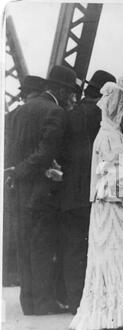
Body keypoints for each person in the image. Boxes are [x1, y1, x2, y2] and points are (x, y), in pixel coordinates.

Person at [70, 82, 123, 330]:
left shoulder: (112, 135)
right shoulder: (109, 138)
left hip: (118, 209)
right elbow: (116, 181)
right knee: (118, 256)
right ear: (120, 109)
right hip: (116, 211)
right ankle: (118, 316)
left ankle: (119, 314)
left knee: (121, 257)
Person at [9, 65, 77, 316]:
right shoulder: (54, 112)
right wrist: (23, 170)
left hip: (19, 192)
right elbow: (46, 152)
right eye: (69, 93)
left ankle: (28, 302)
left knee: (25, 245)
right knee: (43, 245)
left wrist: (14, 172)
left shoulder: (15, 114)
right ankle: (43, 302)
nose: (70, 99)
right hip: (43, 191)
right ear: (59, 89)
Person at [59, 70, 116, 314]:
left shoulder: (69, 115)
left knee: (73, 248)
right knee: (98, 246)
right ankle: (94, 299)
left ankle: (75, 302)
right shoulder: (103, 117)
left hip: (70, 192)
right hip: (96, 192)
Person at [3, 76, 46, 286]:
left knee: (21, 241)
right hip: (38, 187)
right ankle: (41, 297)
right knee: (39, 245)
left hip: (15, 185)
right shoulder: (44, 112)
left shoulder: (11, 117)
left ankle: (24, 293)